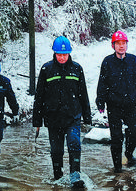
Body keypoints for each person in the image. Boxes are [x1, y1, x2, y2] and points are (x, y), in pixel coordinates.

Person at [32, 36, 92, 188]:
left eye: (65, 54)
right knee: (56, 151)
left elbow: (83, 94)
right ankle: (58, 178)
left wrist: (87, 116)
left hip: (73, 116)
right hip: (53, 118)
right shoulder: (47, 69)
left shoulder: (77, 69)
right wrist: (37, 121)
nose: (62, 57)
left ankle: (75, 176)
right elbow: (39, 96)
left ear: (69, 53)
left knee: (74, 144)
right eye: (59, 54)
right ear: (54, 53)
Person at [96, 30, 136, 173]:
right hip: (113, 106)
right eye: (118, 43)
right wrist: (100, 101)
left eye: (123, 43)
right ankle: (117, 169)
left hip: (130, 105)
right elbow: (102, 83)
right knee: (116, 138)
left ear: (127, 45)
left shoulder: (134, 61)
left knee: (135, 135)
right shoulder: (107, 62)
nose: (121, 46)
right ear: (113, 45)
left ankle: (129, 154)